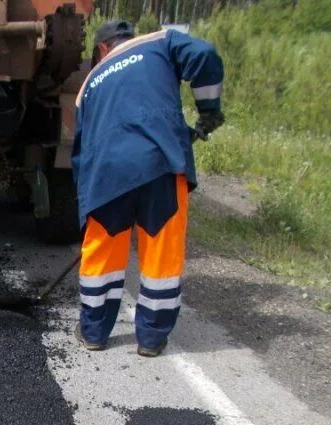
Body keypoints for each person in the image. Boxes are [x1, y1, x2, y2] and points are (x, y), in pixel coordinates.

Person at [71, 21, 225, 357]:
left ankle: (94, 332)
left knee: (103, 255)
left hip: (106, 175)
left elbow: (79, 153)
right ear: (129, 39)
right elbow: (204, 53)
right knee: (162, 253)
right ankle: (152, 339)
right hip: (161, 163)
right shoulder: (160, 42)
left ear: (101, 49)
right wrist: (208, 110)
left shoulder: (89, 85)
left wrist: (86, 206)